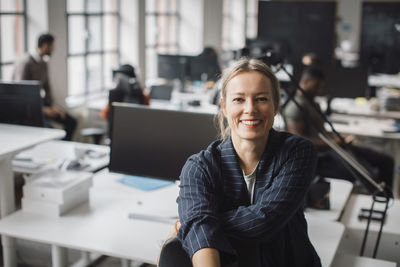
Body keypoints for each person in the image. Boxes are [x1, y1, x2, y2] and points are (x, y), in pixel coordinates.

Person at [175, 58, 321, 266]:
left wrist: (196, 225)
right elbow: (200, 236)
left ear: (275, 106)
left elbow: (265, 219)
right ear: (224, 107)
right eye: (239, 100)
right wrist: (196, 226)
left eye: (261, 99)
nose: (250, 109)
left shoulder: (298, 152)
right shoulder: (199, 167)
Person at [282, 67, 394, 192]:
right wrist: (334, 142)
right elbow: (299, 140)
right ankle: (379, 196)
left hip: (334, 146)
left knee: (386, 161)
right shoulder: (295, 107)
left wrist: (338, 140)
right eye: (316, 86)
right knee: (367, 174)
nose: (319, 90)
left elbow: (321, 131)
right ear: (305, 82)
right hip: (322, 155)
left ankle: (387, 197)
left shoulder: (312, 103)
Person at [12, 33, 77, 141]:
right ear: (46, 45)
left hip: (41, 104)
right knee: (50, 132)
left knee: (71, 122)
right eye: (53, 46)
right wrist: (44, 110)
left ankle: (63, 149)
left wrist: (52, 106)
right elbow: (20, 96)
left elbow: (47, 87)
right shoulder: (25, 63)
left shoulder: (43, 62)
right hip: (29, 110)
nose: (54, 49)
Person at [100, 64, 149, 138]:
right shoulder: (114, 94)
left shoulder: (140, 95)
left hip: (127, 134)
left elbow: (105, 114)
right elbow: (105, 114)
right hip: (122, 135)